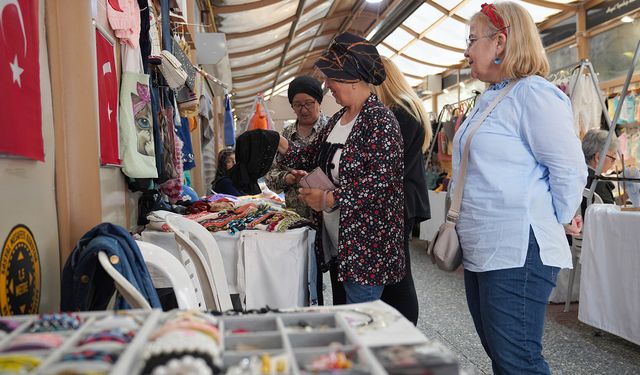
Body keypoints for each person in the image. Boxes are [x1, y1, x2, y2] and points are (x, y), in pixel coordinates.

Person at [455, 2, 587, 374]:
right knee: (502, 355)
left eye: (472, 40)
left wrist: (561, 217)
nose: (466, 51)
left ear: (500, 42)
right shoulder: (492, 97)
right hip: (487, 246)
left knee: (518, 360)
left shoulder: (533, 94)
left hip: (518, 247)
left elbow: (569, 167)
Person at [276, 32, 405, 304]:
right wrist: (280, 143)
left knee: (362, 323)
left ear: (352, 76)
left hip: (366, 249)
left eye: (331, 77)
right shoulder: (338, 119)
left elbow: (381, 182)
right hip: (340, 244)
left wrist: (329, 198)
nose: (327, 85)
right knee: (346, 316)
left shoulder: (380, 120)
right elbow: (311, 155)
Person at [373, 56, 431, 325]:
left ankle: (406, 327)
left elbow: (392, 165)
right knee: (396, 270)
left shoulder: (401, 113)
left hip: (400, 201)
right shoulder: (403, 109)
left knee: (398, 274)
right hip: (402, 199)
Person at [265, 76, 329, 219]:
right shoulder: (284, 136)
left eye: (308, 103)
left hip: (327, 216)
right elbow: (269, 176)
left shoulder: (332, 129)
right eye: (297, 105)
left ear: (319, 101)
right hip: (296, 218)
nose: (304, 110)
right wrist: (288, 178)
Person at [212, 129, 280, 196]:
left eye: (235, 160)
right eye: (229, 161)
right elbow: (242, 198)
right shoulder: (224, 182)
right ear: (222, 164)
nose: (234, 163)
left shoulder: (241, 179)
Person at [581, 129, 619, 205]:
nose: (613, 163)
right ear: (598, 158)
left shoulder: (577, 175)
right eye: (612, 158)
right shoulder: (599, 184)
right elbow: (611, 215)